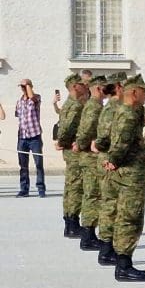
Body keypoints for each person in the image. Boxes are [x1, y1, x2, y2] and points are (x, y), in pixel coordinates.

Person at [103, 74, 145, 282]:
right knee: (130, 217)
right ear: (134, 92)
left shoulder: (126, 110)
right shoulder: (129, 114)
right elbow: (122, 141)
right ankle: (124, 265)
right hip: (130, 173)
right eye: (143, 91)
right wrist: (114, 159)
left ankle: (117, 256)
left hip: (125, 172)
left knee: (122, 214)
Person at [94, 72, 128, 267]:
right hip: (111, 162)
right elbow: (104, 137)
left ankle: (110, 246)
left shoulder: (119, 106)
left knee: (114, 204)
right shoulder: (113, 108)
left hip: (115, 161)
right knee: (110, 204)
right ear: (118, 87)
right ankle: (107, 249)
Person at [74, 75, 108, 251]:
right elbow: (86, 130)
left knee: (93, 194)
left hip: (92, 156)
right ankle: (88, 236)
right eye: (105, 88)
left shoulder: (95, 105)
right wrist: (81, 145)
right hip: (91, 157)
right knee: (92, 195)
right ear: (98, 89)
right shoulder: (94, 106)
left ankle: (90, 233)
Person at [55, 74, 87, 238]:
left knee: (70, 186)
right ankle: (73, 224)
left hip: (69, 149)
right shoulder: (75, 105)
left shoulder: (68, 103)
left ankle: (69, 223)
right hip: (74, 150)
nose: (85, 85)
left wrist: (61, 141)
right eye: (82, 84)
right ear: (75, 86)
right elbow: (67, 127)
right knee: (76, 187)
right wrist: (62, 141)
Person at [15, 78, 46, 197]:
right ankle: (24, 189)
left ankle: (41, 188)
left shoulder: (36, 98)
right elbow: (18, 116)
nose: (23, 88)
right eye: (22, 87)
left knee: (38, 164)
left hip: (34, 137)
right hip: (22, 137)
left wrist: (28, 86)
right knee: (23, 165)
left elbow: (32, 98)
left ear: (30, 87)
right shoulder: (19, 101)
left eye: (25, 86)